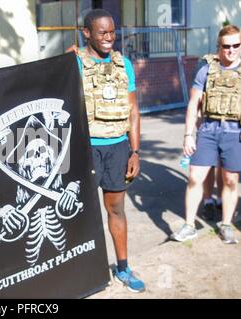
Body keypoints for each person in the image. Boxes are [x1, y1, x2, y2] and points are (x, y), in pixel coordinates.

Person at [70, 9, 143, 292]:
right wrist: (65, 60)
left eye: (112, 31)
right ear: (86, 33)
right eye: (102, 32)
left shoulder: (124, 64)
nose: (109, 37)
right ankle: (82, 274)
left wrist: (135, 151)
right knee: (80, 214)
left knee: (116, 209)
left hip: (117, 149)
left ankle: (123, 268)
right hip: (85, 151)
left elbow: (134, 111)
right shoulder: (74, 63)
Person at [171, 25, 241, 244]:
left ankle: (226, 224)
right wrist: (188, 135)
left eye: (236, 45)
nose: (231, 50)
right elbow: (193, 104)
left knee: (230, 180)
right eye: (226, 46)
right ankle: (189, 225)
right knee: (194, 177)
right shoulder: (206, 68)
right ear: (219, 47)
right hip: (208, 129)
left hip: (235, 132)